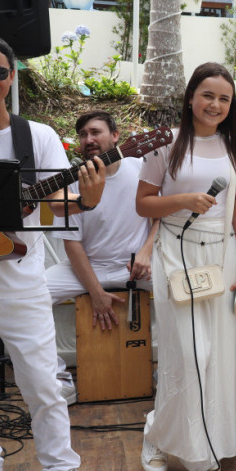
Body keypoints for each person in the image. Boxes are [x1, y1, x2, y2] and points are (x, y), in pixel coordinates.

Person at [0, 32, 106, 471]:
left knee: (45, 388)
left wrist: (86, 198)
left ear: (12, 76)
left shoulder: (36, 137)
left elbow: (54, 205)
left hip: (22, 283)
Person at [136, 62, 236, 471]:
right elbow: (143, 204)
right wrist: (184, 199)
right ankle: (159, 434)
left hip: (222, 259)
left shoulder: (235, 148)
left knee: (218, 357)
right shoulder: (164, 143)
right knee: (185, 354)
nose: (216, 105)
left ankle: (209, 441)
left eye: (224, 98)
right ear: (190, 97)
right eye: (208, 95)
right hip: (176, 255)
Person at [46, 110, 158, 405]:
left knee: (180, 293)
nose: (89, 139)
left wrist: (146, 253)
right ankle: (58, 379)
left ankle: (169, 372)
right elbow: (72, 244)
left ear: (115, 136)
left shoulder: (139, 167)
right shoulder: (73, 180)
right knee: (32, 296)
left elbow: (161, 215)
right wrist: (96, 293)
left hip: (137, 265)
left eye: (95, 132)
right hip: (88, 268)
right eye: (83, 135)